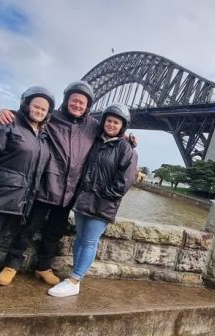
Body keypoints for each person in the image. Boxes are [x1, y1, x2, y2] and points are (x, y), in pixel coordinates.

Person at [0, 81, 137, 287]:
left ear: (87, 106)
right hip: (46, 186)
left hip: (70, 192)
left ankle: (43, 267)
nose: (77, 105)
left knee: (54, 232)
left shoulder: (93, 125)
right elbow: (30, 116)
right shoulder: (52, 117)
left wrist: (127, 137)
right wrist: (5, 112)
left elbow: (112, 132)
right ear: (67, 100)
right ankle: (12, 265)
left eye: (82, 102)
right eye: (74, 100)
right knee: (28, 227)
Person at [48, 103, 137, 297]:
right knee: (80, 238)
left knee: (89, 241)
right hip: (83, 200)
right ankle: (75, 278)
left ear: (122, 126)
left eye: (116, 122)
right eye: (109, 120)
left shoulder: (125, 148)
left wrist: (104, 195)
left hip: (102, 204)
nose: (111, 124)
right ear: (103, 121)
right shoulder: (95, 141)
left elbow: (125, 181)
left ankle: (74, 280)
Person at [0, 86, 55, 286]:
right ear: (26, 104)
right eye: (36, 106)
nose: (39, 111)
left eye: (44, 109)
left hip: (20, 198)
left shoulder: (42, 135)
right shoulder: (7, 122)